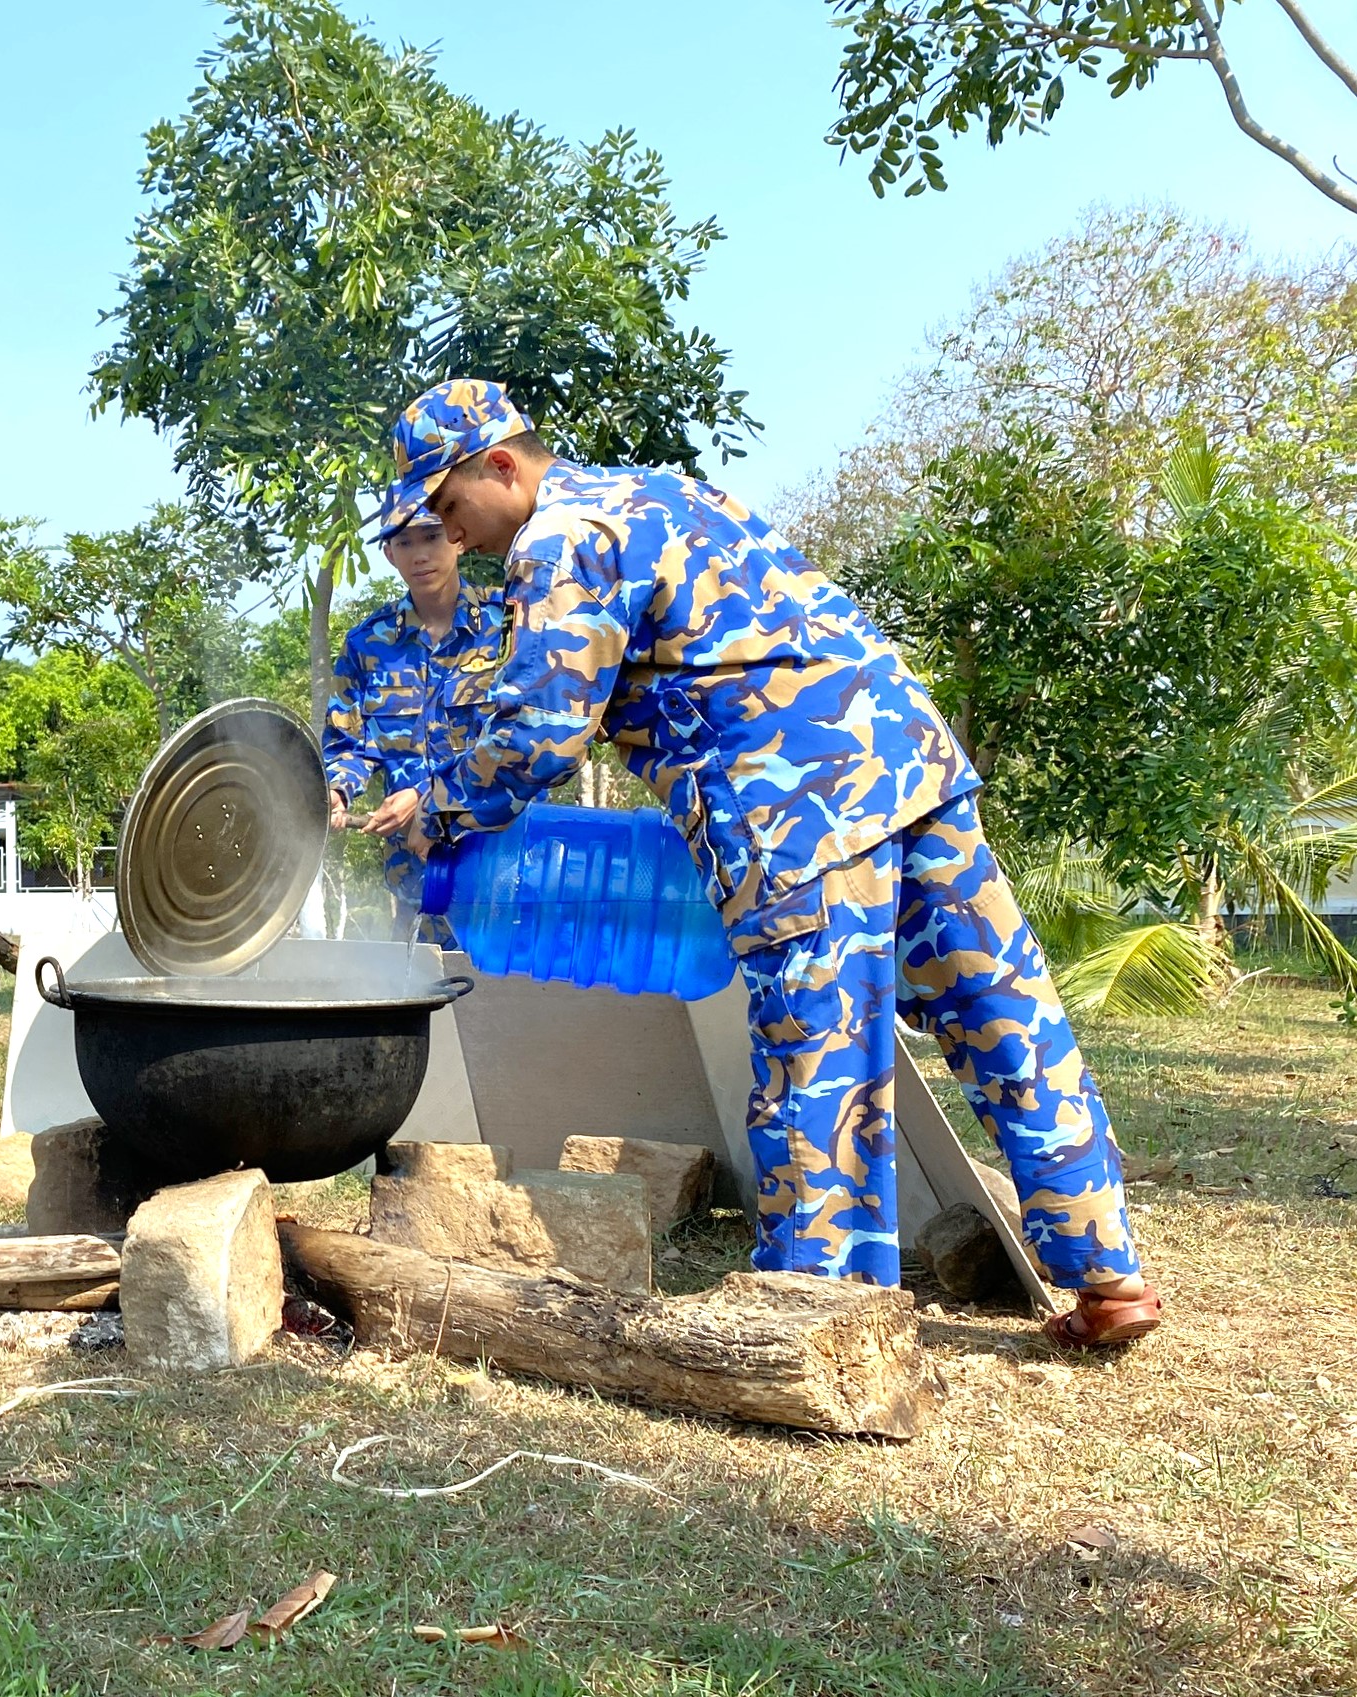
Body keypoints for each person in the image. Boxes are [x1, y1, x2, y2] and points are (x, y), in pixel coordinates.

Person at [382, 378, 1161, 1348]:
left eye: (451, 510)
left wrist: (438, 805)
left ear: (501, 464)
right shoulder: (662, 493)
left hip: (796, 805)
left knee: (814, 1054)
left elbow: (542, 730)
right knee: (998, 1004)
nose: (454, 538)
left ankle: (819, 1321)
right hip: (907, 760)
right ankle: (1105, 1269)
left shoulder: (559, 536)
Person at [321, 494, 508, 945]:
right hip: (414, 884)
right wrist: (337, 790)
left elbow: (523, 742)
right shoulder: (368, 643)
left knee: (507, 1010)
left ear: (458, 538)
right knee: (425, 1006)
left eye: (432, 535)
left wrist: (426, 797)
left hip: (502, 878)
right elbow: (350, 744)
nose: (421, 554)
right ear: (389, 553)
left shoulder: (508, 625)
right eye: (404, 542)